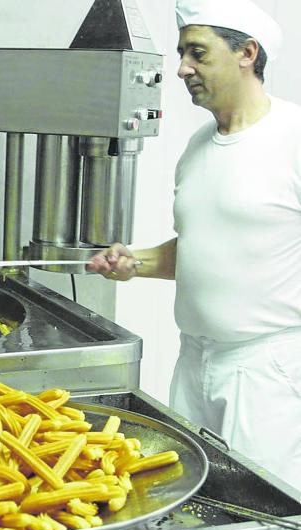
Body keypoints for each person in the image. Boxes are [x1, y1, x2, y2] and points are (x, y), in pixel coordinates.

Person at [89, 0, 301, 494]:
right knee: (185, 495)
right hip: (194, 361)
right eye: (183, 53)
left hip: (264, 370)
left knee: (264, 508)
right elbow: (201, 249)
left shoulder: (293, 139)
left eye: (197, 54)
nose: (182, 68)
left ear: (247, 53)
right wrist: (134, 262)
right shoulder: (199, 147)